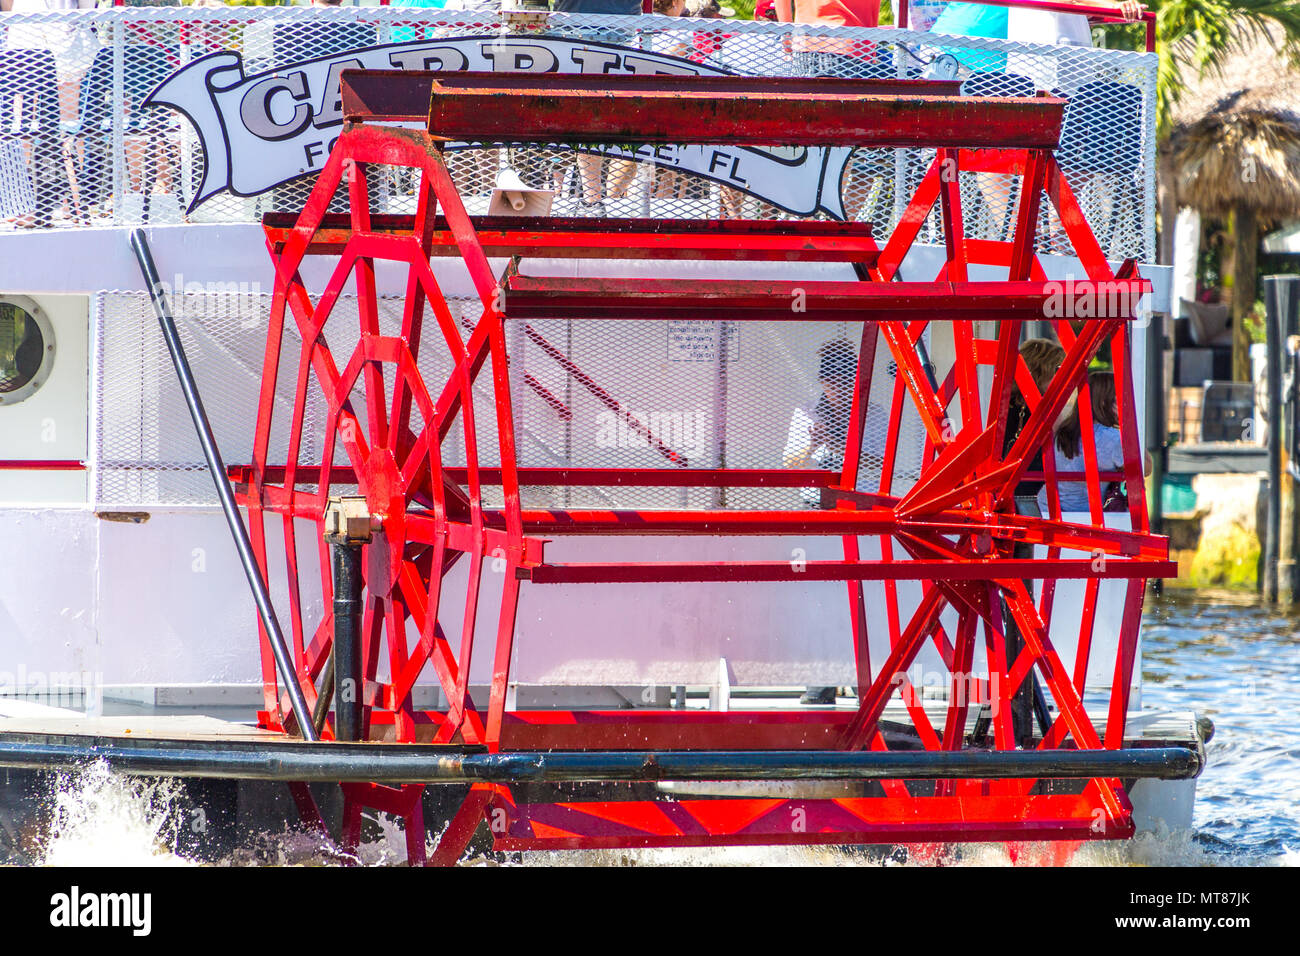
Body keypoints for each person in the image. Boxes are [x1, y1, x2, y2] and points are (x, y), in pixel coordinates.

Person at [783, 339, 857, 707]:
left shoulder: (870, 415)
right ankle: (822, 681)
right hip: (818, 511)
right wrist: (813, 447)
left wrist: (840, 445)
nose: (838, 389)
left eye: (845, 381)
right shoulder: (806, 413)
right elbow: (790, 462)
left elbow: (878, 462)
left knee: (858, 595)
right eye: (833, 382)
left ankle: (862, 676)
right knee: (821, 598)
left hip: (858, 512)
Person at [1036, 368, 1149, 515]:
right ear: (1105, 403)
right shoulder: (1112, 439)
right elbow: (1145, 468)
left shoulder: (1064, 430)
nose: (1125, 404)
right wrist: (1129, 425)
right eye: (1120, 398)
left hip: (1046, 509)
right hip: (1083, 516)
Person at [1003, 337, 1065, 501]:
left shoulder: (1003, 403)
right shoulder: (1040, 409)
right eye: (1056, 370)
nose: (1061, 377)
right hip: (1030, 491)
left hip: (1011, 488)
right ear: (1040, 370)